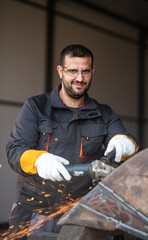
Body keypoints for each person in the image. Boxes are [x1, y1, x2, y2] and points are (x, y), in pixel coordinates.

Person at [6, 44, 138, 240]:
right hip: (38, 212)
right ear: (60, 71)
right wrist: (38, 160)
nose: (79, 78)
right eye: (73, 71)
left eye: (85, 71)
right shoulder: (36, 107)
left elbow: (129, 143)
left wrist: (125, 142)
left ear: (93, 71)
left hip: (83, 213)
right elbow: (15, 149)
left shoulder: (104, 113)